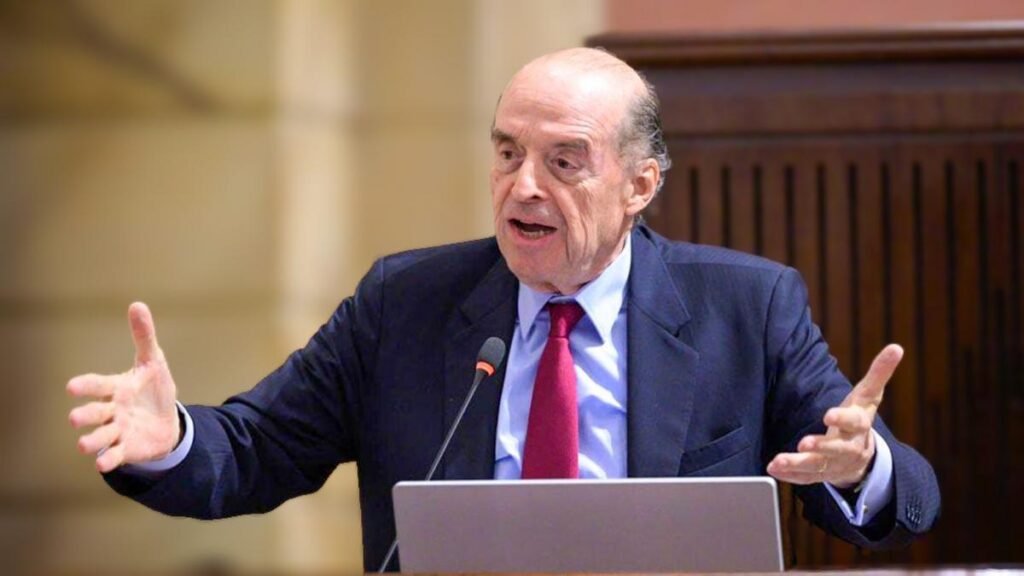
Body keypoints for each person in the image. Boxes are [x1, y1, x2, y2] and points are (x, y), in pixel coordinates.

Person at [67, 47, 939, 570]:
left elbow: (909, 502)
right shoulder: (402, 304)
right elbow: (256, 450)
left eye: (564, 161)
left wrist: (861, 468)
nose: (524, 186)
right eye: (508, 153)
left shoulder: (747, 306)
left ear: (639, 186)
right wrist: (172, 438)